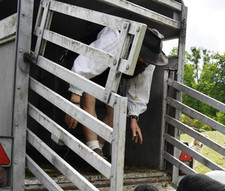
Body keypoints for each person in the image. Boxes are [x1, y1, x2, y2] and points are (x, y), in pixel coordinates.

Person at [64, 26, 168, 157]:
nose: (147, 63)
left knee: (115, 111)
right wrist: (75, 99)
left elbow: (140, 87)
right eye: (145, 58)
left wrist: (134, 116)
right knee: (89, 100)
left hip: (111, 73)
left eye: (149, 59)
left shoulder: (148, 62)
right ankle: (93, 149)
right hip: (86, 62)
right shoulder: (114, 39)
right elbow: (85, 65)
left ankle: (98, 151)